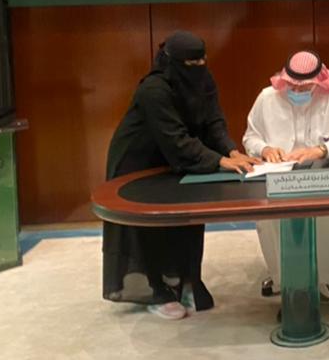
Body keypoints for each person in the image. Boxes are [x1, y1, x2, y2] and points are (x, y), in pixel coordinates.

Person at [102, 31, 257, 320]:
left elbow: (214, 121)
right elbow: (175, 138)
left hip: (182, 160)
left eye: (202, 61)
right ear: (173, 62)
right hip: (139, 161)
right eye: (191, 63)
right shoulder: (153, 89)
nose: (198, 67)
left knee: (188, 219)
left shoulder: (204, 78)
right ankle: (157, 290)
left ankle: (187, 281)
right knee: (150, 226)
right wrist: (219, 160)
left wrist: (232, 151)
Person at [244, 50, 329, 321]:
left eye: (305, 87)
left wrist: (319, 150)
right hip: (279, 180)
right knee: (271, 222)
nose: (297, 91)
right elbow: (250, 137)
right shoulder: (267, 98)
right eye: (292, 86)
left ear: (318, 82)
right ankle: (292, 289)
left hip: (324, 175)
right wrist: (265, 149)